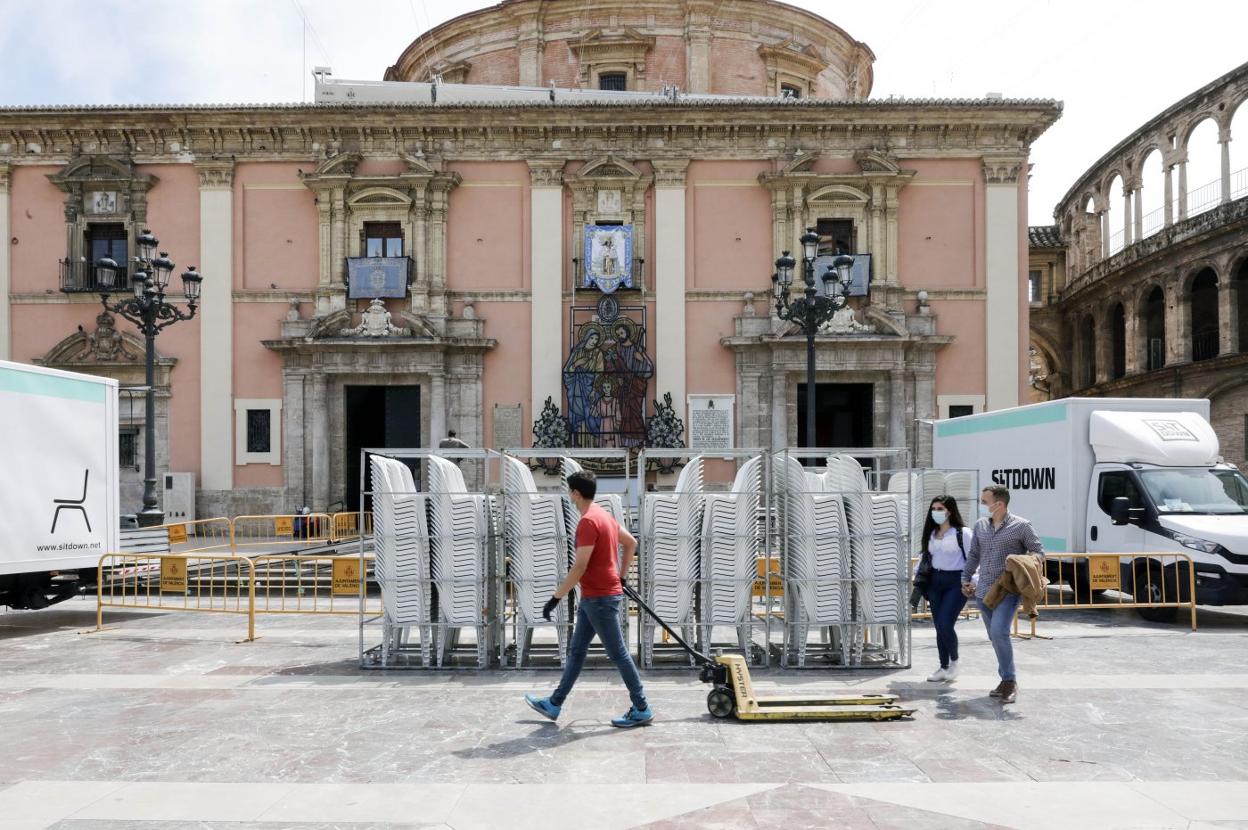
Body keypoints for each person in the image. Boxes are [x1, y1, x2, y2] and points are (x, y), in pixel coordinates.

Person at [525, 470, 653, 728]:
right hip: (595, 596)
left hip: (600, 598)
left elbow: (579, 567)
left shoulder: (587, 522)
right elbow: (631, 543)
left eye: (569, 492)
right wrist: (622, 575)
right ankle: (554, 703)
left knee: (618, 654)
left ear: (575, 493)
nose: (569, 496)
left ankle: (641, 707)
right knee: (577, 651)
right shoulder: (604, 516)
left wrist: (555, 598)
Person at [961, 484, 1045, 704]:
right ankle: (1005, 680)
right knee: (994, 637)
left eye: (984, 502)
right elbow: (974, 554)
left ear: (999, 504)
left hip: (1007, 589)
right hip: (983, 591)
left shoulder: (1021, 526)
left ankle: (1009, 681)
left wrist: (1021, 560)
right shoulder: (980, 526)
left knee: (999, 633)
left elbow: (1039, 552)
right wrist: (965, 578)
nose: (981, 505)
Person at [917, 496, 971, 683]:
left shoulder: (962, 533)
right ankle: (943, 666)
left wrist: (972, 581)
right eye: (934, 508)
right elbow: (925, 556)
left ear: (949, 511)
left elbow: (974, 558)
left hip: (956, 582)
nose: (936, 512)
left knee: (946, 623)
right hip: (934, 581)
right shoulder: (931, 533)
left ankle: (955, 661)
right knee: (939, 626)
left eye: (940, 508)